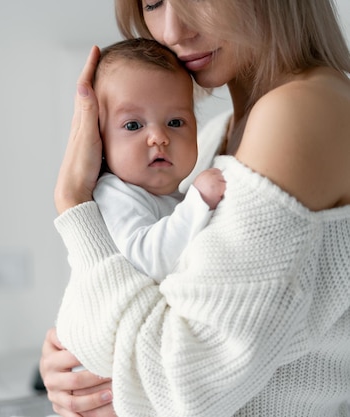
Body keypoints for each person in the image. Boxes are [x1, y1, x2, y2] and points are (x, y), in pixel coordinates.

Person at [40, 0, 350, 416]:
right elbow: (157, 299)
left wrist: (74, 205)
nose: (172, 31)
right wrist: (71, 362)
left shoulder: (301, 112)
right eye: (153, 3)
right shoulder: (212, 139)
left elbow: (179, 386)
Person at [92, 38, 225, 278]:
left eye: (175, 122)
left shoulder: (171, 196)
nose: (159, 138)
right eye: (133, 125)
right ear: (99, 137)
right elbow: (149, 260)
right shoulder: (114, 194)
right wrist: (200, 201)